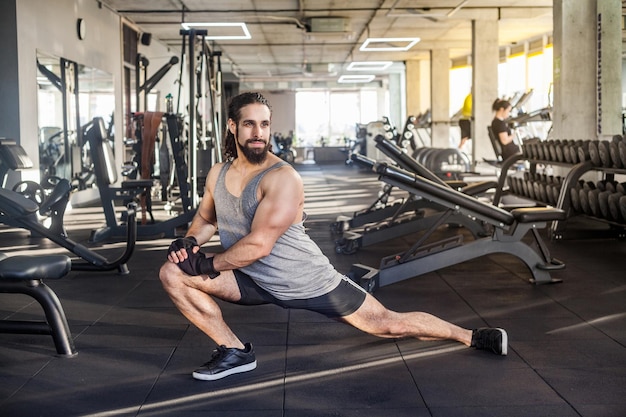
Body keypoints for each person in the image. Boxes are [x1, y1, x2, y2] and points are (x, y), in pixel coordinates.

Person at [160, 92, 508, 382]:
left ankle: (471, 336)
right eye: (249, 123)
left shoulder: (282, 177)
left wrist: (206, 263)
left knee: (387, 324)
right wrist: (190, 242)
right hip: (250, 279)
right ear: (233, 126)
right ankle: (235, 351)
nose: (258, 132)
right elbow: (206, 218)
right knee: (172, 273)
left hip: (306, 280)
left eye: (264, 124)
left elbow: (259, 245)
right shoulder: (219, 173)